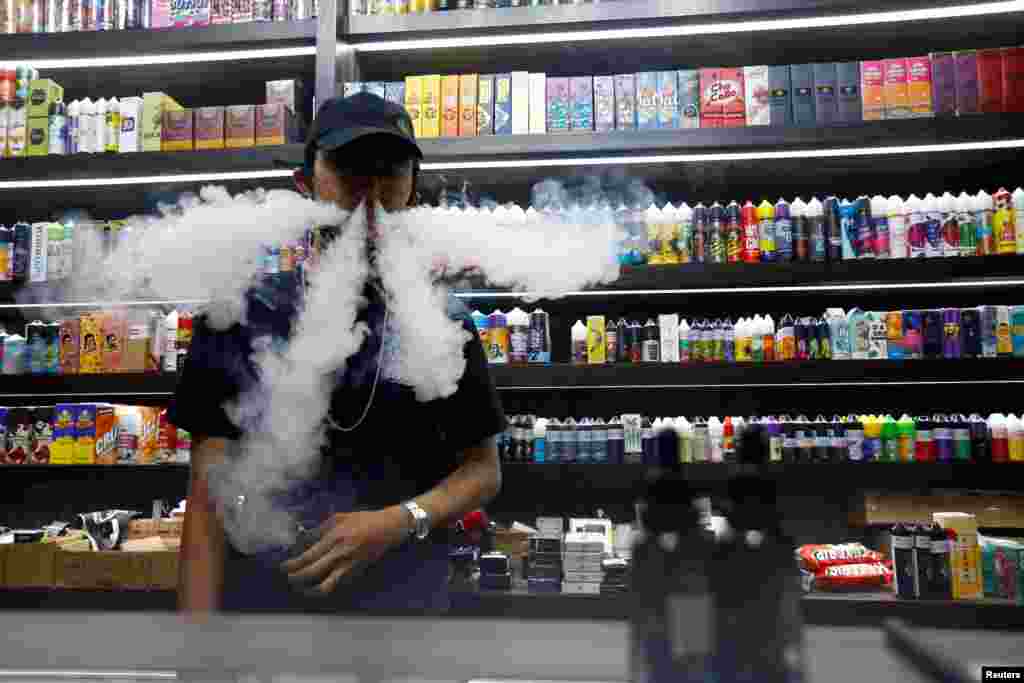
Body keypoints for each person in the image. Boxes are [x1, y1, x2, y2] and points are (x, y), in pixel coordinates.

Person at [172, 92, 505, 614]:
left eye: (391, 171)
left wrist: (399, 521)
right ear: (305, 185)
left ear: (412, 190)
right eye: (350, 170)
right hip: (266, 626)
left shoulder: (445, 320)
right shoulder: (238, 314)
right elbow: (208, 493)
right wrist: (195, 649)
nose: (371, 193)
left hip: (406, 627)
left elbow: (484, 470)